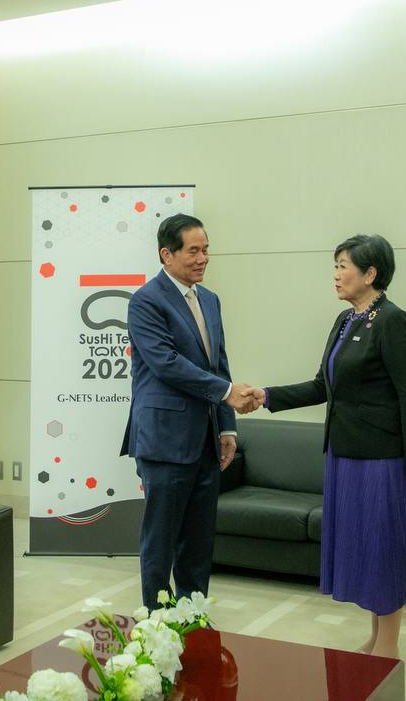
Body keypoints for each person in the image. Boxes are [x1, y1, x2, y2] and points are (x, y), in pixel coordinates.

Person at [255, 234, 406, 659]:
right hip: (343, 454)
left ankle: (388, 644)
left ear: (370, 274)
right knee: (363, 549)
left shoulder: (393, 321)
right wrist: (266, 395)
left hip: (381, 458)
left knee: (382, 549)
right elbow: (323, 386)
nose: (336, 275)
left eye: (343, 266)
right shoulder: (345, 320)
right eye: (334, 266)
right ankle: (376, 635)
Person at [120, 214, 258, 610]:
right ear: (167, 254)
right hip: (164, 440)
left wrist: (227, 428)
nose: (203, 259)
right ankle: (157, 623)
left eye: (206, 250)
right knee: (161, 539)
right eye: (193, 251)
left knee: (198, 542)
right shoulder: (146, 301)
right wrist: (228, 393)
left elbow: (219, 363)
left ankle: (192, 617)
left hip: (205, 441)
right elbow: (166, 364)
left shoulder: (210, 300)